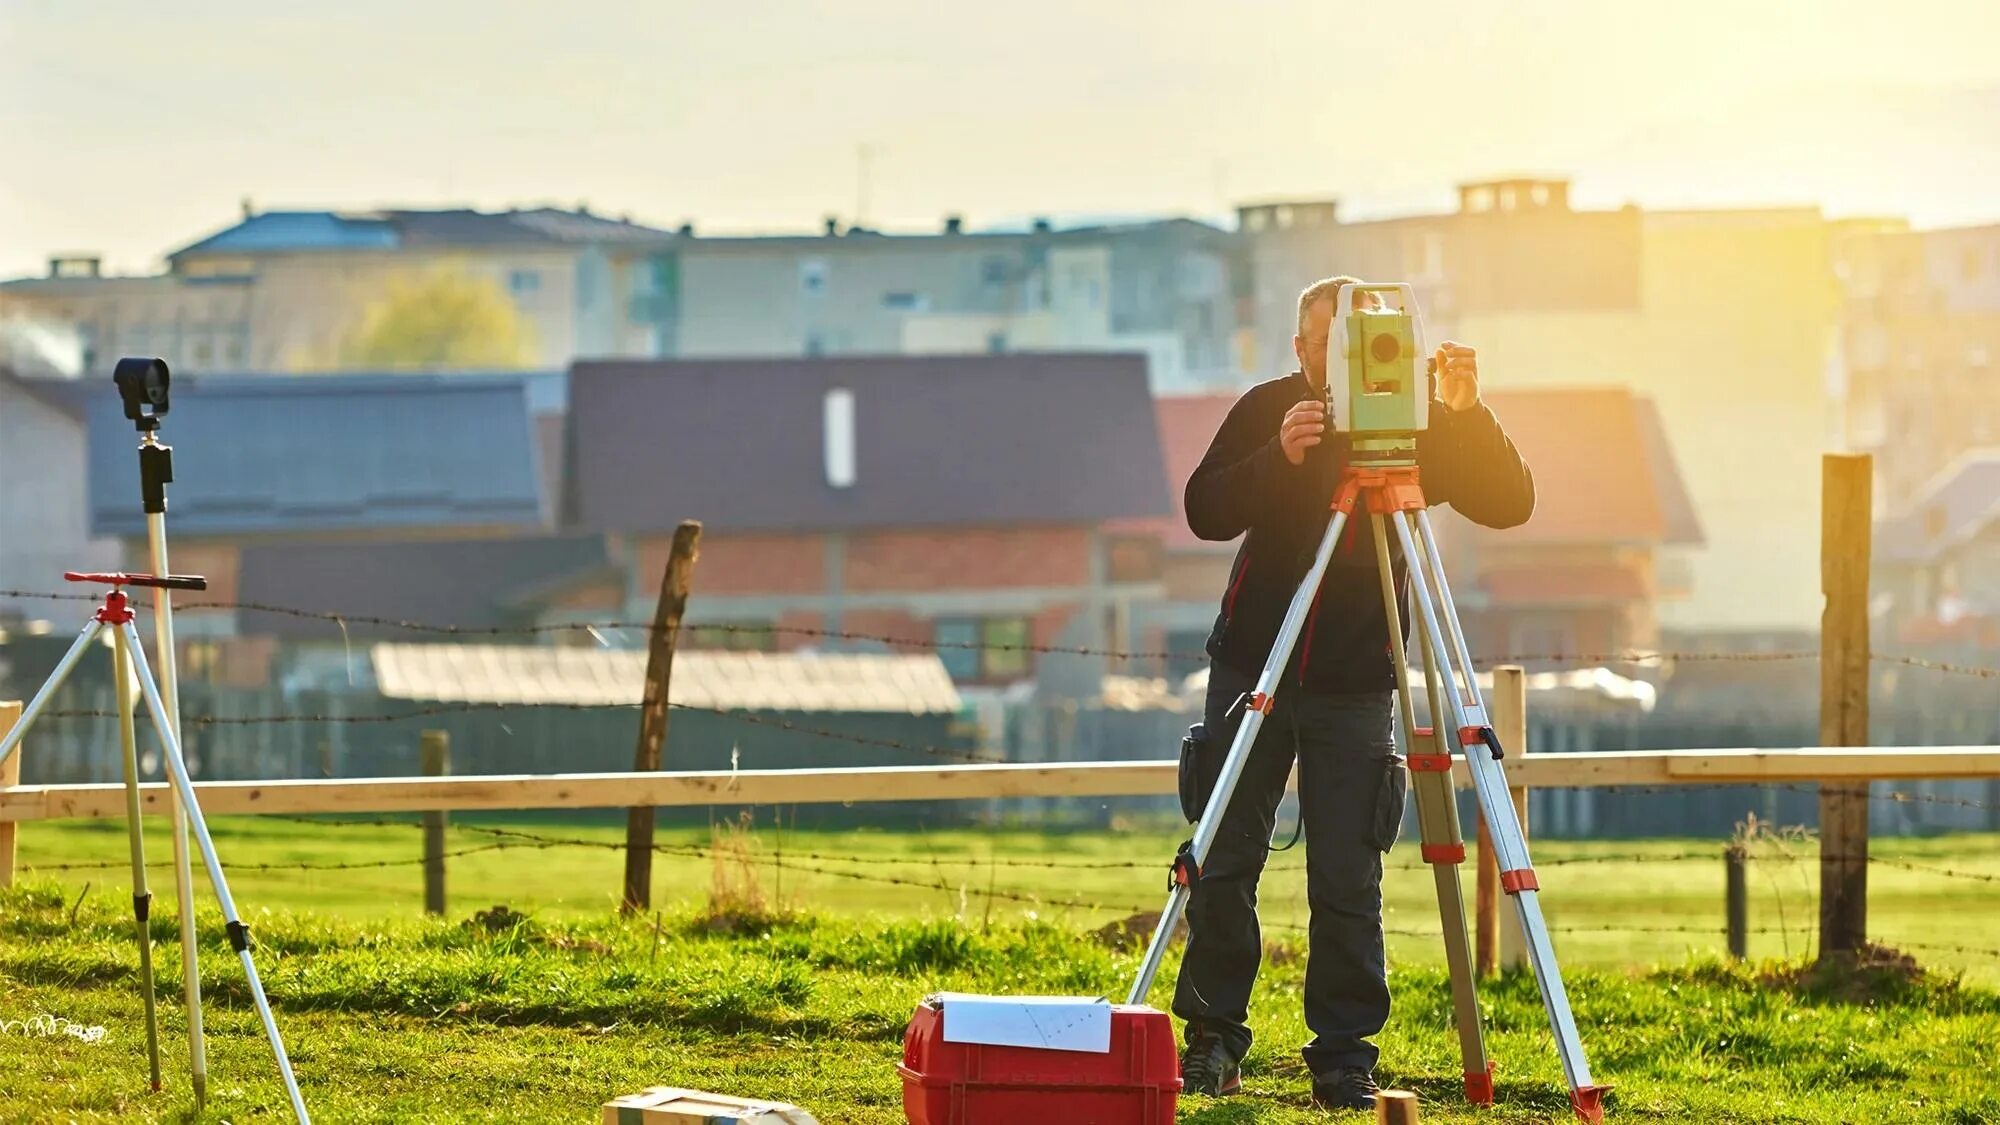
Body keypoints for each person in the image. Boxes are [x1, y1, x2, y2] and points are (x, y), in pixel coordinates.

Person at [1173, 275, 1535, 1111]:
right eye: (1328, 342)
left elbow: (1511, 502)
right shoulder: (1271, 407)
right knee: (1223, 860)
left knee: (1348, 875)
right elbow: (1202, 509)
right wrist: (1281, 457)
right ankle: (1211, 1040)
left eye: (1364, 340)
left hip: (1357, 677)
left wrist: (1467, 411)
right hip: (1252, 666)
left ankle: (1343, 1056)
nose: (1346, 359)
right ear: (1302, 352)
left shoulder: (1412, 417)